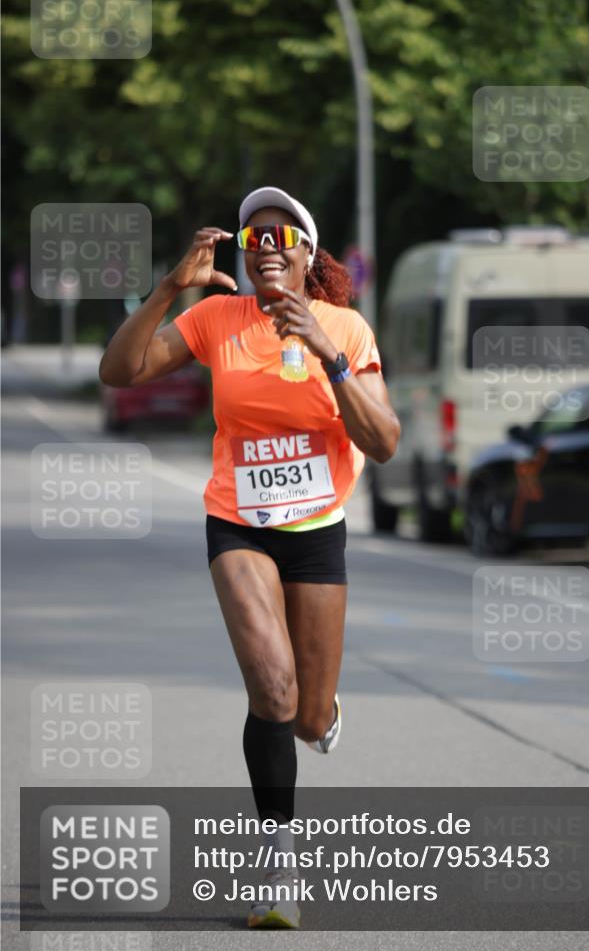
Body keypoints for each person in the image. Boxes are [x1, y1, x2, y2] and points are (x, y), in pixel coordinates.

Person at [99, 186, 400, 928]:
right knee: (271, 687)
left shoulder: (347, 329)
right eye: (253, 234)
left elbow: (383, 441)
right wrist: (171, 286)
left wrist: (327, 353)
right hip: (238, 521)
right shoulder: (215, 318)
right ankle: (277, 867)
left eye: (280, 234)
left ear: (305, 253)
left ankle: (322, 713)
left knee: (305, 714)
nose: (264, 244)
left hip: (317, 526)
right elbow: (120, 371)